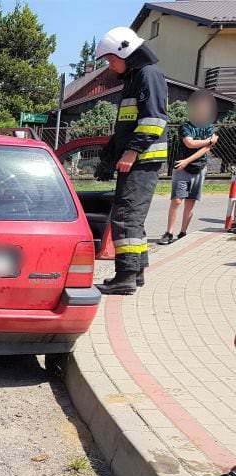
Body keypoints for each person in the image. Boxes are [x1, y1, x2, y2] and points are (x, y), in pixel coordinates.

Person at [93, 27, 168, 296]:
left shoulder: (148, 75)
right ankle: (135, 274)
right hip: (136, 159)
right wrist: (110, 155)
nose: (110, 65)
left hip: (142, 160)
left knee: (125, 217)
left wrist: (131, 152)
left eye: (111, 59)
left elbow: (154, 120)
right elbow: (126, 124)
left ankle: (124, 277)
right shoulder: (135, 78)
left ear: (125, 51)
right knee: (134, 219)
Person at [159, 90, 218, 245]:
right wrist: (209, 141)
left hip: (199, 168)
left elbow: (206, 150)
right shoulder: (186, 126)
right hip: (181, 167)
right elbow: (189, 143)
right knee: (177, 200)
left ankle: (183, 232)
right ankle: (168, 233)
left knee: (190, 201)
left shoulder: (209, 127)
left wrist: (191, 158)